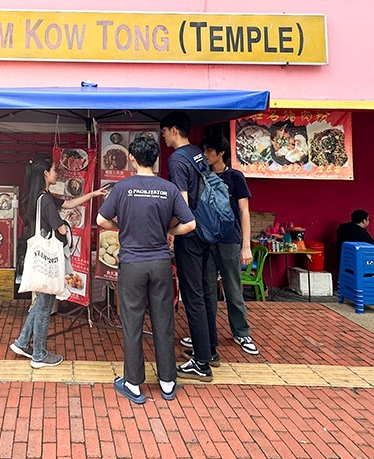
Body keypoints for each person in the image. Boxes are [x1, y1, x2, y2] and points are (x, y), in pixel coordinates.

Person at [97, 135, 195, 404]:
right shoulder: (168, 189)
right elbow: (190, 224)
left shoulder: (122, 187)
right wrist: (168, 231)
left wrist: (121, 229)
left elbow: (101, 220)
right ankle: (167, 382)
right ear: (156, 159)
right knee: (164, 321)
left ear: (131, 158)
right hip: (161, 262)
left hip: (132, 263)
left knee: (132, 322)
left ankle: (133, 384)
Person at [10, 153, 107, 368]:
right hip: (49, 259)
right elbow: (60, 227)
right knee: (44, 307)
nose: (57, 173)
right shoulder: (45, 200)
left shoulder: (39, 196)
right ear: (45, 173)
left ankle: (22, 342)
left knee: (40, 304)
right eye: (54, 170)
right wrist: (66, 229)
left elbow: (69, 204)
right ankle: (39, 355)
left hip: (39, 257)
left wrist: (92, 194)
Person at [181, 135, 259, 359]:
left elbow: (244, 212)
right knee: (207, 290)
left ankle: (241, 332)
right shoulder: (200, 175)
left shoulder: (235, 177)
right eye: (204, 150)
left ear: (221, 153)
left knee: (233, 287)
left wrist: (246, 246)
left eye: (209, 151)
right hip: (204, 239)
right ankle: (205, 333)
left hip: (229, 240)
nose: (205, 155)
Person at [159, 111, 214, 382]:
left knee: (192, 296)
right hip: (208, 231)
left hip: (191, 234)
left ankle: (202, 364)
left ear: (173, 130)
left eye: (164, 132)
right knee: (204, 293)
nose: (163, 137)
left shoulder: (177, 159)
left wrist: (170, 231)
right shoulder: (197, 153)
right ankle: (209, 349)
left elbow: (180, 203)